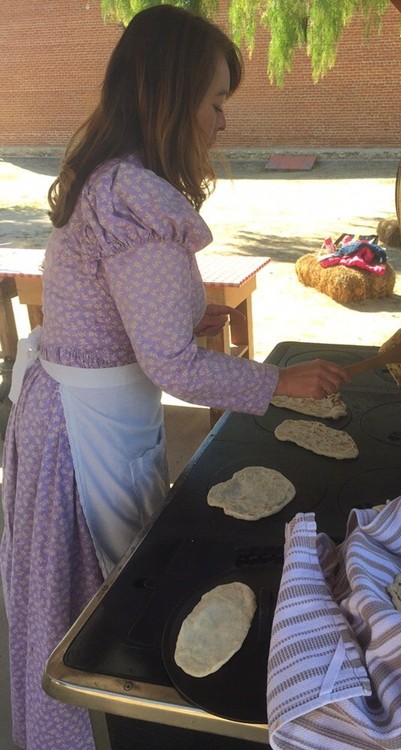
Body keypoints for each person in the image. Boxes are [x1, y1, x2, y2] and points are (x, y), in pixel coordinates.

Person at [0, 6, 349, 749]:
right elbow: (172, 367)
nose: (222, 121)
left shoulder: (107, 177)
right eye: (215, 102)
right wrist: (279, 382)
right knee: (104, 625)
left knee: (66, 603)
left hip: (64, 407)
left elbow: (126, 318)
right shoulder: (135, 202)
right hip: (80, 435)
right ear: (170, 97)